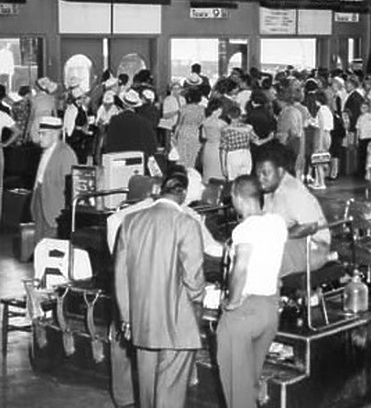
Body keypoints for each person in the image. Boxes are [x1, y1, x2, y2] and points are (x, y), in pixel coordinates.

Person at [114, 170, 205, 408]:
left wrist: (127, 318)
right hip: (177, 322)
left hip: (141, 321)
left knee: (147, 392)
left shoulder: (131, 221)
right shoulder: (186, 224)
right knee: (170, 393)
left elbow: (121, 276)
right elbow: (194, 278)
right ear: (183, 193)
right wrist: (200, 301)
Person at [216, 175, 287, 408]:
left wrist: (232, 301)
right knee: (250, 382)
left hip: (244, 313)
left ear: (238, 198)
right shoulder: (278, 224)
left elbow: (242, 267)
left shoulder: (243, 230)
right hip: (269, 310)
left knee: (237, 390)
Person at [257, 142, 331, 276]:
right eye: (258, 175)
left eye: (265, 174)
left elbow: (310, 226)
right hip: (294, 243)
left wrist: (278, 236)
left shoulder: (292, 190)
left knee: (264, 259)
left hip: (315, 247)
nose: (260, 179)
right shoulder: (271, 189)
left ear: (280, 171)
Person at [30, 116, 77, 245]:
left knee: (51, 249)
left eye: (43, 134)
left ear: (55, 134)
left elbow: (71, 188)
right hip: (40, 204)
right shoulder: (46, 151)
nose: (40, 138)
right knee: (39, 246)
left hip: (54, 212)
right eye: (40, 134)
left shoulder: (66, 154)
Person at [104, 89, 159, 170]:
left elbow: (109, 142)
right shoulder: (144, 122)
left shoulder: (115, 120)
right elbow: (152, 146)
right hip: (139, 161)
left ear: (123, 104)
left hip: (118, 161)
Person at [174, 87, 205, 169]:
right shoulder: (202, 109)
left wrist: (174, 136)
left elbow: (179, 123)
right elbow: (202, 123)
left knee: (182, 155)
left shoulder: (184, 108)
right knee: (193, 155)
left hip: (183, 131)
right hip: (195, 132)